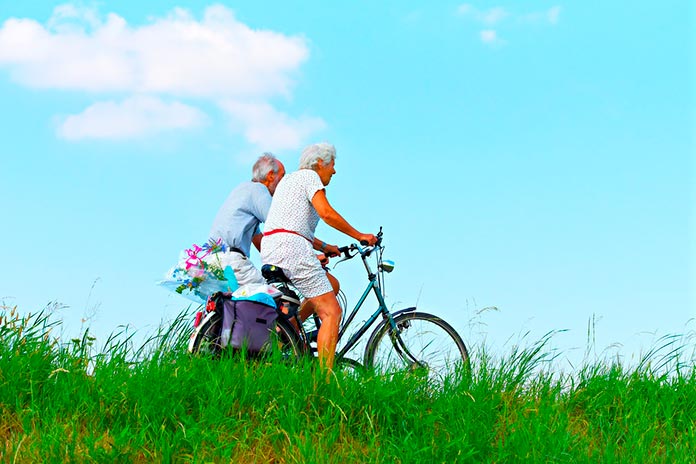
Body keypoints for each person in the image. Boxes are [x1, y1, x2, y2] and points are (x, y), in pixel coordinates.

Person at [261, 142, 377, 370]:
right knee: (331, 311)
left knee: (331, 284)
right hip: (291, 248)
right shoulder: (310, 177)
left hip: (274, 247)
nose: (334, 171)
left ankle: (289, 331)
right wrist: (359, 235)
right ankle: (323, 383)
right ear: (320, 163)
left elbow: (290, 224)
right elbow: (326, 212)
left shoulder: (289, 181)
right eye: (333, 165)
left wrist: (324, 247)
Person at [206, 153, 285, 286]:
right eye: (282, 177)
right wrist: (309, 256)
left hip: (213, 262)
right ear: (271, 175)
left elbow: (260, 241)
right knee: (272, 299)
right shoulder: (259, 190)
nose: (284, 183)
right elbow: (281, 225)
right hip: (232, 262)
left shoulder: (242, 189)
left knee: (233, 304)